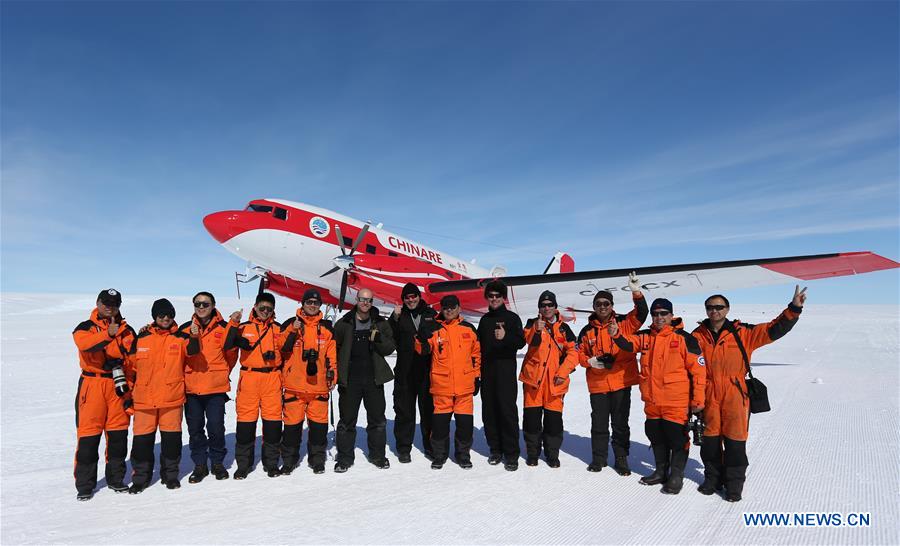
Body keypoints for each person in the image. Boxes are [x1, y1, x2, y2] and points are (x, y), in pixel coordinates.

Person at [691, 286, 806, 502]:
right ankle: (713, 479)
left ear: (727, 309)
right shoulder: (697, 336)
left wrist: (794, 309)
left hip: (735, 394)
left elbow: (774, 329)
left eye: (719, 307)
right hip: (708, 393)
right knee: (709, 442)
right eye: (710, 307)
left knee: (735, 441)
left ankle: (734, 484)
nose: (714, 311)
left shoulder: (743, 333)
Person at [610, 298, 706, 494]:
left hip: (676, 401)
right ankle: (661, 471)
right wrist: (616, 334)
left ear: (671, 315)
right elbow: (628, 344)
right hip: (652, 401)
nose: (659, 317)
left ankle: (676, 475)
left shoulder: (684, 338)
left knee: (677, 439)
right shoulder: (646, 337)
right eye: (655, 314)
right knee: (656, 435)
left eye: (663, 313)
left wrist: (698, 400)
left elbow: (699, 371)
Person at [576, 272, 648, 475]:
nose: (602, 307)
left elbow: (642, 313)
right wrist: (590, 362)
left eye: (606, 303)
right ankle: (598, 458)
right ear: (594, 307)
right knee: (599, 424)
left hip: (621, 382)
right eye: (598, 304)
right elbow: (579, 354)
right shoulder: (586, 331)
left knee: (620, 424)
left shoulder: (624, 323)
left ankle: (621, 458)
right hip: (598, 384)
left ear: (612, 306)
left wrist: (637, 292)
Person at [127, 298, 199, 493]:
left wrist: (194, 336)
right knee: (142, 442)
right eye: (161, 315)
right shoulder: (141, 339)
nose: (166, 318)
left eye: (169, 315)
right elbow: (130, 367)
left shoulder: (181, 338)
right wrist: (127, 394)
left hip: (171, 399)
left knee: (171, 442)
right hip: (144, 399)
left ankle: (170, 476)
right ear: (154, 316)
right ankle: (140, 478)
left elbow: (193, 352)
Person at [71, 289, 137, 501]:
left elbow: (134, 362)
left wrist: (129, 387)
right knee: (89, 436)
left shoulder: (127, 331)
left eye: (114, 303)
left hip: (118, 385)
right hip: (93, 384)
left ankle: (116, 479)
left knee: (118, 435)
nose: (110, 307)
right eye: (106, 302)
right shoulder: (85, 327)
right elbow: (85, 344)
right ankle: (85, 485)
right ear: (98, 302)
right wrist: (108, 334)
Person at [333, 288, 396, 472]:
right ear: (357, 300)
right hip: (350, 379)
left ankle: (378, 456)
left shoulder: (380, 323)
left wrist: (379, 339)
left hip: (373, 378)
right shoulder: (344, 323)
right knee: (346, 421)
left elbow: (389, 348)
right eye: (362, 299)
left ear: (372, 302)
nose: (365, 303)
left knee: (377, 420)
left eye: (369, 300)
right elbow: (334, 348)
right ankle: (344, 459)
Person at [415, 295, 481, 470]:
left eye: (452, 307)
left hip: (464, 387)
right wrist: (420, 336)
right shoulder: (434, 328)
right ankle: (439, 455)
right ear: (441, 309)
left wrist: (476, 377)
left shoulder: (469, 329)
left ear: (459, 308)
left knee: (465, 426)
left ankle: (463, 455)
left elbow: (476, 355)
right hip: (442, 387)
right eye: (445, 308)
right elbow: (422, 350)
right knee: (439, 427)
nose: (449, 310)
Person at [224, 292, 286, 479]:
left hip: (272, 378)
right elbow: (226, 345)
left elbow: (288, 352)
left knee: (273, 424)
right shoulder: (243, 327)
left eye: (269, 309)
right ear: (255, 307)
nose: (265, 311)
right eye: (262, 307)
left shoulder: (279, 329)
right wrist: (233, 323)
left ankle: (271, 463)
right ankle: (243, 465)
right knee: (246, 423)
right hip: (249, 378)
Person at [179, 291, 237, 483]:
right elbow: (179, 357)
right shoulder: (185, 329)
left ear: (213, 305)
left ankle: (217, 463)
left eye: (205, 304)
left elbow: (231, 356)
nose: (201, 307)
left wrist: (220, 373)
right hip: (192, 389)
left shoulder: (224, 328)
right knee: (195, 429)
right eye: (198, 304)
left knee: (216, 427)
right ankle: (200, 465)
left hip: (215, 389)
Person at [279, 289, 337, 475]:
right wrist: (292, 329)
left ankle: (317, 460)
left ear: (320, 305)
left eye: (316, 303)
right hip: (294, 387)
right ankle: (289, 461)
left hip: (318, 387)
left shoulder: (327, 329)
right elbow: (281, 348)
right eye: (309, 302)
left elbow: (332, 357)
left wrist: (332, 377)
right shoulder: (290, 324)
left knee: (319, 429)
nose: (312, 305)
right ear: (302, 304)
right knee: (291, 429)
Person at [520, 290, 579, 468]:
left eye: (550, 305)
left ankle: (552, 454)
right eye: (543, 305)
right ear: (539, 308)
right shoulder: (532, 324)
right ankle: (532, 454)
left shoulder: (564, 328)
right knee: (532, 421)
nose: (546, 308)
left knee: (553, 422)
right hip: (534, 382)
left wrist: (562, 373)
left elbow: (574, 352)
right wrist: (537, 330)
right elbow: (528, 341)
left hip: (555, 382)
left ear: (555, 307)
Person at [476, 279, 525, 471]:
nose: (494, 299)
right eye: (491, 296)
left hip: (505, 373)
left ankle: (511, 453)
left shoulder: (512, 318)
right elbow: (477, 347)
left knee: (507, 412)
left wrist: (506, 338)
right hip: (487, 372)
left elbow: (520, 342)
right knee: (489, 411)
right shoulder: (484, 320)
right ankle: (495, 449)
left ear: (503, 297)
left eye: (498, 296)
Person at [389, 282, 438, 463]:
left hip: (427, 371)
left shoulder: (431, 314)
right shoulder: (399, 316)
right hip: (405, 372)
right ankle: (404, 448)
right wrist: (393, 318)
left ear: (419, 296)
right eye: (407, 298)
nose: (411, 300)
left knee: (428, 411)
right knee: (404, 411)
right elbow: (390, 337)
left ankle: (431, 446)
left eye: (413, 296)